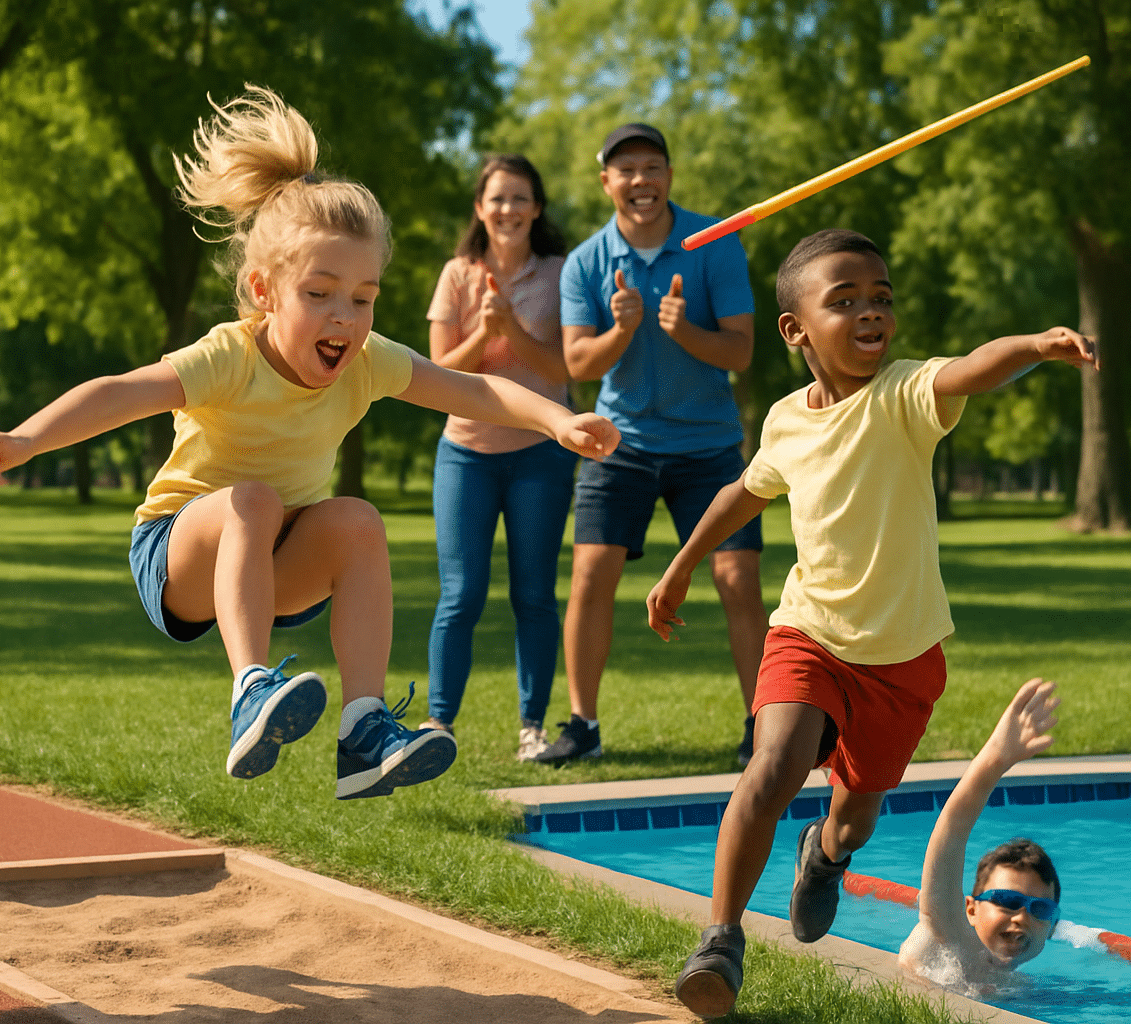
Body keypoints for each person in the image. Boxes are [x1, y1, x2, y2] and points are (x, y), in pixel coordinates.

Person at [0, 87, 619, 801]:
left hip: (279, 563)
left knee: (359, 520)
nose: (346, 316)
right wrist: (24, 439)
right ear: (264, 291)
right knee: (251, 500)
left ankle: (363, 730)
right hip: (179, 554)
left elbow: (474, 392)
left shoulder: (365, 364)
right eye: (322, 294)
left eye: (363, 298)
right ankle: (249, 689)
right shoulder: (228, 356)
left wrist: (557, 422)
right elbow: (120, 392)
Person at [646, 227, 1097, 1018]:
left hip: (902, 658)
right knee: (774, 761)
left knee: (854, 817)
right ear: (795, 330)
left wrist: (1033, 343)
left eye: (881, 298)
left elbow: (972, 367)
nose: (870, 313)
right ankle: (720, 940)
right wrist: (681, 566)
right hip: (809, 633)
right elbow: (740, 496)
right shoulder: (787, 421)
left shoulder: (906, 393)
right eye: (844, 300)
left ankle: (823, 855)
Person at [542, 122, 766, 766]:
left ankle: (760, 727)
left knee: (736, 576)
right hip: (622, 443)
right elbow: (580, 364)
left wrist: (683, 330)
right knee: (590, 573)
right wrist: (623, 331)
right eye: (626, 170)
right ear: (606, 181)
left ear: (669, 175)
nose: (641, 181)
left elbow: (742, 351)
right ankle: (582, 726)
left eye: (652, 167)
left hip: (709, 445)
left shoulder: (715, 242)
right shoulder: (587, 260)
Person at [420, 154, 573, 761]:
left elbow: (562, 371)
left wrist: (510, 326)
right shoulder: (458, 275)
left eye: (520, 198)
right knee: (461, 595)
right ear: (479, 209)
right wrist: (484, 335)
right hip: (466, 455)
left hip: (541, 453)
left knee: (533, 596)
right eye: (496, 199)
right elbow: (433, 376)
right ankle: (438, 725)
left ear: (537, 208)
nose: (507, 209)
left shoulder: (562, 273)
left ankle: (531, 727)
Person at [899, 678, 1062, 989]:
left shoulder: (1015, 984)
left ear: (1051, 927)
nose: (1021, 917)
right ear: (970, 909)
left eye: (1040, 908)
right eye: (1007, 900)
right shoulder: (949, 937)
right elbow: (952, 831)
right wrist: (993, 760)